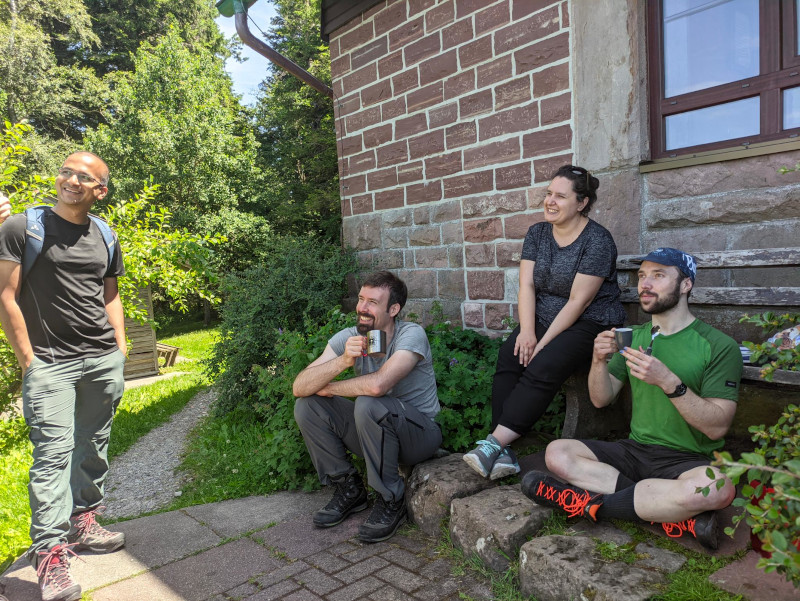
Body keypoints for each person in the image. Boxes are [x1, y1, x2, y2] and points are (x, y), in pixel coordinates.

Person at [522, 248, 742, 550]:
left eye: (658, 275)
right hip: (634, 451)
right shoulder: (634, 337)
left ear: (686, 284)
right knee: (557, 453)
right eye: (641, 276)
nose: (645, 284)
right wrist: (599, 360)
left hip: (687, 459)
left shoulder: (719, 346)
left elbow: (717, 428)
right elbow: (601, 399)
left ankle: (590, 505)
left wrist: (668, 382)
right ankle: (670, 515)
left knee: (718, 490)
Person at [0, 152, 127, 601]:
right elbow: (6, 295)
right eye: (67, 172)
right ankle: (50, 554)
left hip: (100, 359)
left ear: (100, 190)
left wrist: (120, 345)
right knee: (53, 454)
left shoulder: (105, 234)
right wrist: (28, 359)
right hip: (50, 363)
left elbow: (110, 293)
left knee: (93, 443)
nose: (72, 180)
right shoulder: (22, 228)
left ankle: (84, 519)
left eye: (85, 177)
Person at [463, 165, 625, 480]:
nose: (550, 201)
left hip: (591, 321)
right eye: (549, 193)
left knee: (543, 362)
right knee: (510, 355)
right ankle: (503, 450)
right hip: (544, 315)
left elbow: (580, 301)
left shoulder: (598, 240)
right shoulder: (538, 233)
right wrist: (526, 332)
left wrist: (543, 342)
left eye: (560, 196)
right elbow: (527, 286)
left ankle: (493, 443)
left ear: (581, 203)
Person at [293, 271, 441, 543]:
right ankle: (349, 489)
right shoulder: (350, 337)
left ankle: (390, 499)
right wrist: (341, 363)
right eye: (361, 299)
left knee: (369, 402)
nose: (362, 307)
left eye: (372, 301)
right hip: (375, 436)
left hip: (419, 436)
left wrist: (331, 387)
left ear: (393, 309)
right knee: (308, 405)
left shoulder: (411, 334)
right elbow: (299, 387)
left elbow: (378, 386)